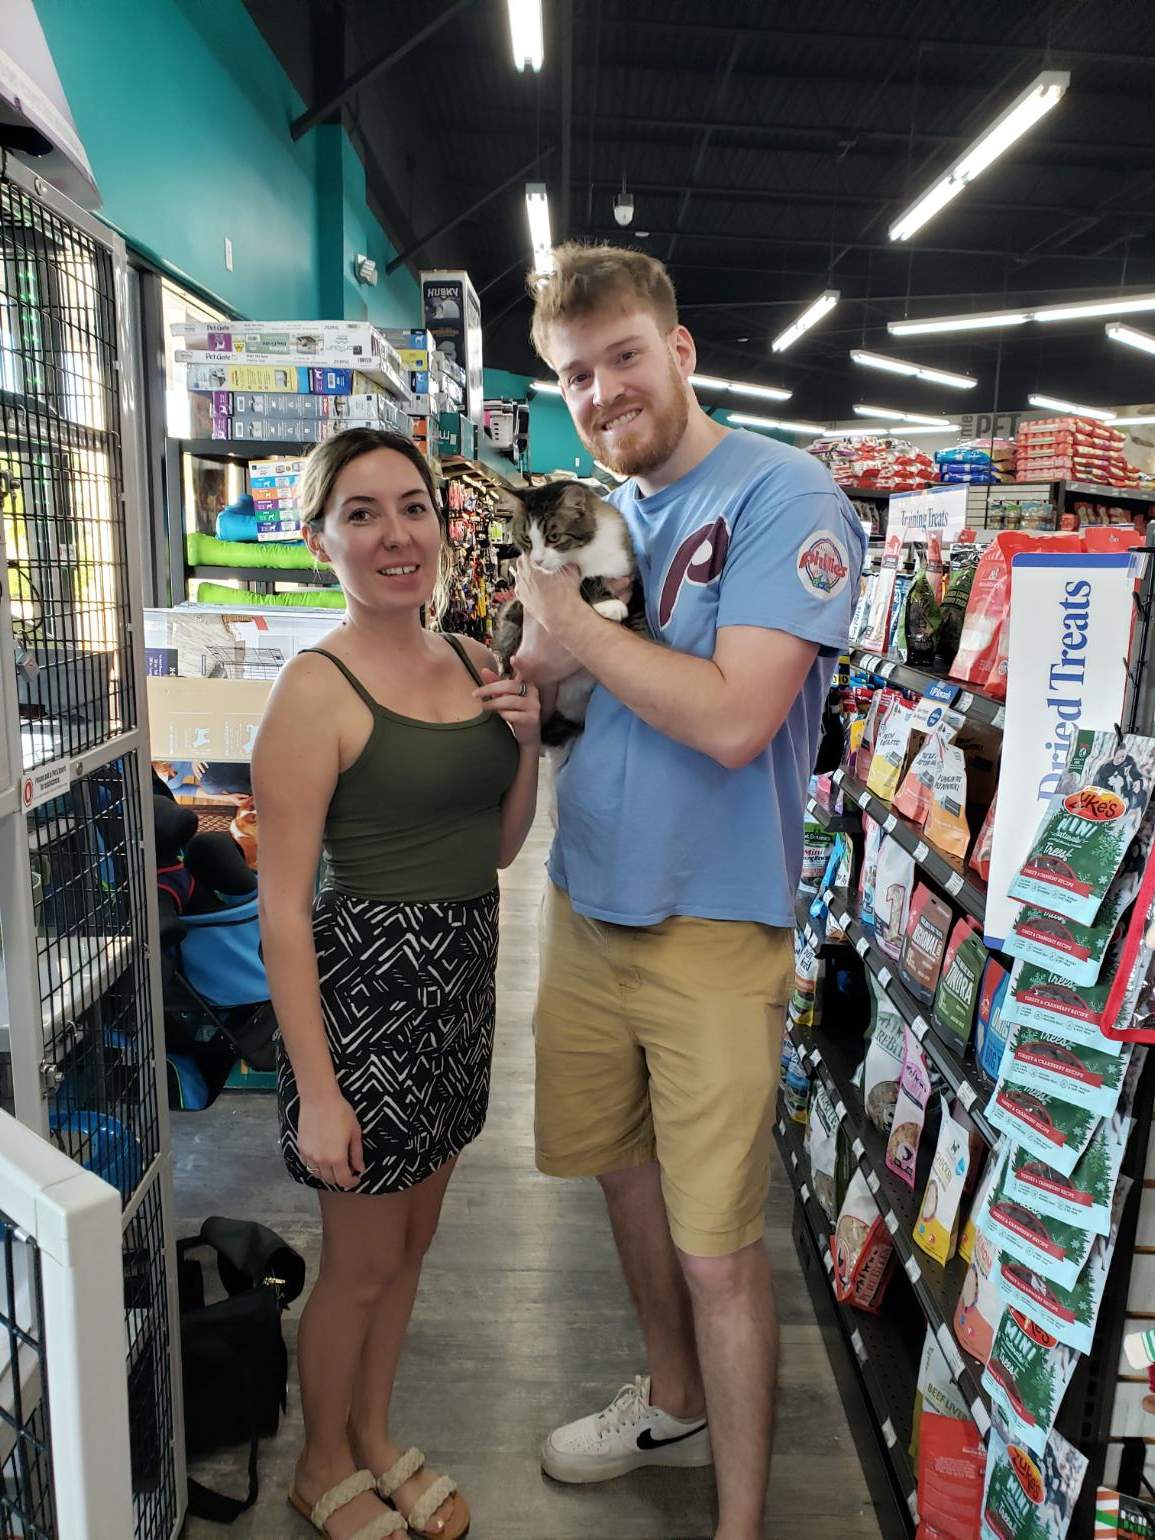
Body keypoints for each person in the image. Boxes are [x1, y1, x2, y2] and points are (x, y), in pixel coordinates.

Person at [477, 244, 865, 1540]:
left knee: (714, 1245)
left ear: (679, 349)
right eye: (573, 375)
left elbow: (732, 720)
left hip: (713, 929)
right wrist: (526, 681)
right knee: (624, 1187)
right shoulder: (600, 516)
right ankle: (667, 1399)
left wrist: (570, 626)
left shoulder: (783, 496)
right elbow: (582, 692)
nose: (599, 392)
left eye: (621, 358)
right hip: (585, 907)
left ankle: (737, 1523)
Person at [253, 429, 540, 1540]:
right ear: (321, 536)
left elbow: (503, 848)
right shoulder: (312, 691)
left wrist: (529, 748)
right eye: (361, 513)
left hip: (459, 987)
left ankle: (374, 1432)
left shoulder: (476, 663)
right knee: (360, 1261)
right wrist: (319, 1091)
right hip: (362, 999)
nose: (395, 535)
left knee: (411, 1248)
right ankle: (319, 1458)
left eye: (412, 508)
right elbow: (283, 910)